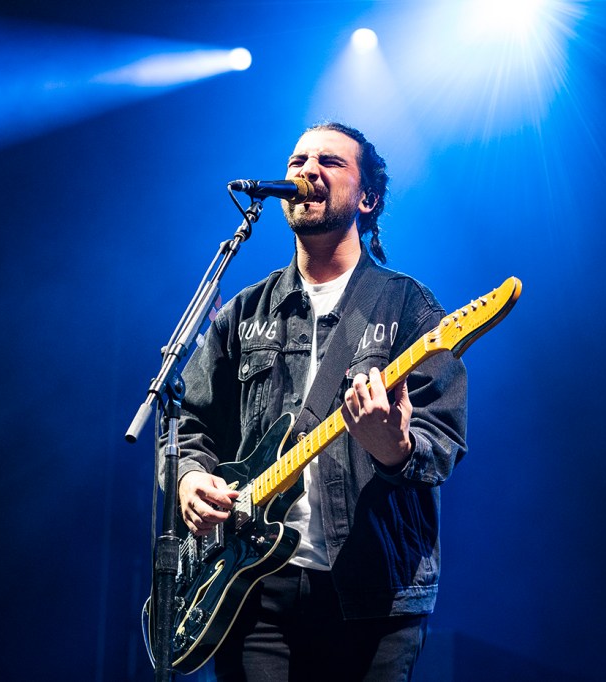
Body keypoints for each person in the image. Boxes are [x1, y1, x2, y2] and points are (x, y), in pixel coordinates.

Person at [168, 122, 468, 681]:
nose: (307, 170)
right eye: (297, 160)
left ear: (369, 197)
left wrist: (393, 446)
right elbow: (191, 420)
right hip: (251, 589)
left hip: (371, 593)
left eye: (330, 162)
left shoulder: (409, 307)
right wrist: (189, 477)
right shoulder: (243, 311)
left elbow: (441, 443)